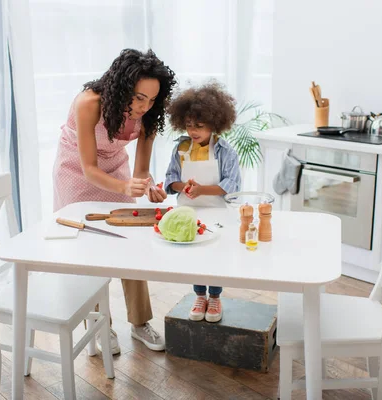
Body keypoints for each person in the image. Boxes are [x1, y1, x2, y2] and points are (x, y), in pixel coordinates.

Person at [52, 48, 177, 352]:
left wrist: (148, 187)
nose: (144, 106)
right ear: (121, 87)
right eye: (138, 98)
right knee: (89, 251)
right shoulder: (89, 103)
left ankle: (139, 323)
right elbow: (89, 168)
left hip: (115, 172)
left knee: (130, 244)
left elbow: (142, 171)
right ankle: (99, 325)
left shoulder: (149, 114)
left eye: (151, 100)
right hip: (77, 173)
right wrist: (124, 188)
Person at [164, 81, 241, 322]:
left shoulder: (225, 151)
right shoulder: (180, 148)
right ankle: (199, 295)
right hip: (189, 211)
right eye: (189, 125)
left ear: (214, 124)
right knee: (197, 255)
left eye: (200, 126)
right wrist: (184, 187)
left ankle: (215, 297)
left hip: (218, 211)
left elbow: (232, 186)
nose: (193, 131)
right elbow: (170, 179)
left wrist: (202, 190)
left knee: (216, 255)